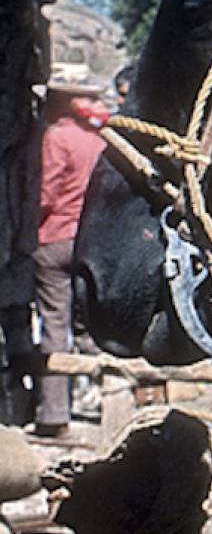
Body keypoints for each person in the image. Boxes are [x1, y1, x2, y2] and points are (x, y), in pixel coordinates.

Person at [32, 65, 106, 438]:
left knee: (54, 324)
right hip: (90, 241)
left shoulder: (56, 137)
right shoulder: (97, 140)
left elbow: (47, 192)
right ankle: (108, 400)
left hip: (55, 238)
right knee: (87, 325)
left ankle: (54, 415)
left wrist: (27, 224)